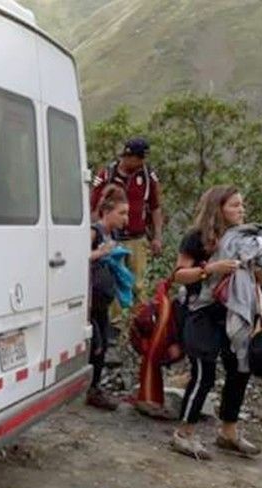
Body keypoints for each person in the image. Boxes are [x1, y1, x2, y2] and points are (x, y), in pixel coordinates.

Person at [170, 185, 260, 460]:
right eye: (235, 205)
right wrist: (210, 269)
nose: (241, 210)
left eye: (242, 204)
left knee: (240, 369)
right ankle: (184, 433)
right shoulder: (197, 238)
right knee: (203, 372)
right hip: (201, 311)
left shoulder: (246, 239)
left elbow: (257, 279)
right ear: (218, 209)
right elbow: (179, 274)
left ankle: (228, 432)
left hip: (235, 312)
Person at [91, 138, 164, 302]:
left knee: (138, 285)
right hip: (112, 239)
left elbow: (155, 207)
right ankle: (115, 318)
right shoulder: (106, 175)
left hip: (137, 239)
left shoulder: (147, 176)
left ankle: (138, 315)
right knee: (113, 283)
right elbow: (94, 207)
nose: (142, 162)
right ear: (129, 157)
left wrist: (157, 237)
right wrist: (98, 234)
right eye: (139, 158)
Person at [87, 184, 130, 410]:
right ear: (107, 211)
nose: (125, 219)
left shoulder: (113, 234)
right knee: (96, 343)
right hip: (91, 300)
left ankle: (95, 387)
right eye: (121, 213)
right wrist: (101, 253)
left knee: (103, 344)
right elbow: (79, 256)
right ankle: (89, 387)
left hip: (103, 299)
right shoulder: (95, 231)